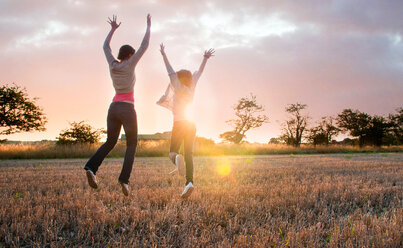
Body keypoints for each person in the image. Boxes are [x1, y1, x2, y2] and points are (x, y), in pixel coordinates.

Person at [84, 14, 151, 196]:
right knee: (131, 144)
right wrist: (148, 26)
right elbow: (145, 45)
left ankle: (91, 167)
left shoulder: (112, 64)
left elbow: (105, 47)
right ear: (130, 54)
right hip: (128, 108)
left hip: (113, 108)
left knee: (110, 141)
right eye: (133, 53)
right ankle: (124, 179)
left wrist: (112, 30)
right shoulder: (130, 64)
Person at [157, 43, 214, 199]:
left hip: (179, 124)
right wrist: (205, 58)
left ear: (178, 78)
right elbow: (199, 72)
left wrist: (163, 54)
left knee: (172, 153)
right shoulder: (192, 85)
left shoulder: (176, 85)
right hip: (191, 124)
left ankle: (177, 160)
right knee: (189, 154)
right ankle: (189, 183)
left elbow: (169, 70)